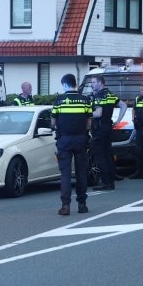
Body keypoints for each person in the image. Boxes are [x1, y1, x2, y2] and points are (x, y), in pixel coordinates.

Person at [51, 73, 92, 215]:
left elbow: (53, 122)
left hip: (64, 140)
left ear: (64, 85)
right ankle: (82, 204)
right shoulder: (85, 101)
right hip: (81, 139)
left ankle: (65, 206)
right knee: (81, 172)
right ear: (75, 83)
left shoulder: (59, 101)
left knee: (65, 174)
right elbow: (89, 121)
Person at [89, 74, 127, 191]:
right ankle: (111, 181)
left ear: (100, 83)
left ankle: (106, 182)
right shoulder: (110, 94)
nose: (91, 85)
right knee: (107, 154)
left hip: (99, 128)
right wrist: (118, 121)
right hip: (107, 127)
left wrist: (85, 112)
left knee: (100, 155)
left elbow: (98, 113)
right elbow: (123, 105)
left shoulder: (99, 95)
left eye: (93, 82)